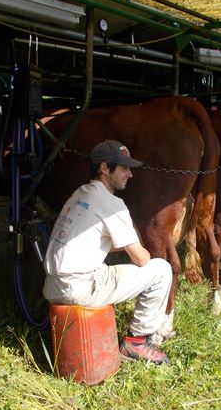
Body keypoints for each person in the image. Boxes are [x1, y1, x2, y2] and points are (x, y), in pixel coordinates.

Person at [43, 139, 173, 365]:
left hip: (52, 284)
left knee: (105, 266)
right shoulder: (112, 203)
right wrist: (132, 238)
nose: (130, 174)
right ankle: (137, 342)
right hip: (79, 289)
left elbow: (94, 241)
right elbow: (142, 260)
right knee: (161, 270)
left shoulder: (80, 193)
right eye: (124, 168)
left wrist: (121, 241)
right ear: (104, 168)